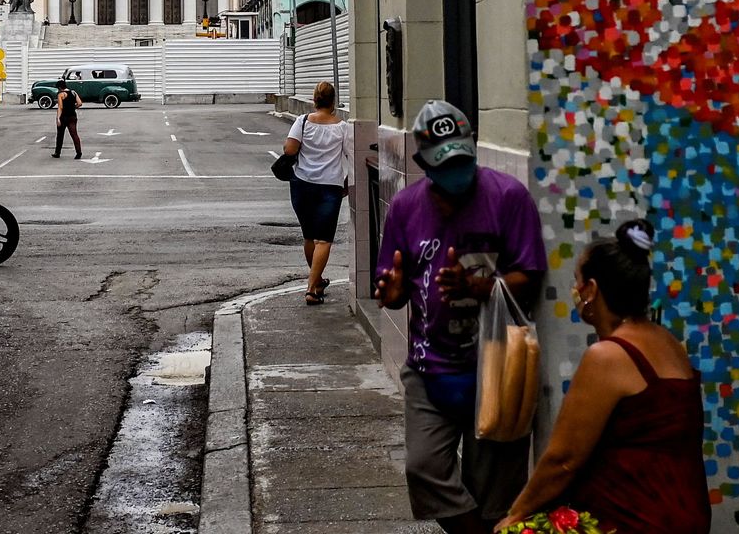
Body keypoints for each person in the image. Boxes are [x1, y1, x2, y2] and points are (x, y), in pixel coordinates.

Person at [374, 100, 547, 534]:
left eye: (462, 158)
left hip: (498, 366)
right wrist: (392, 294)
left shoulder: (509, 198)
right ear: (423, 165)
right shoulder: (405, 209)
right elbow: (391, 287)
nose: (457, 171)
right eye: (443, 163)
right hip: (429, 368)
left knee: (495, 496)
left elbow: (529, 274)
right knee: (424, 468)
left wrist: (479, 286)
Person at [495, 219, 710, 534]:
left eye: (577, 281)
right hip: (684, 515)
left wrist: (515, 516)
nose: (575, 290)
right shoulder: (669, 344)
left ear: (591, 290)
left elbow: (563, 460)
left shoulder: (609, 356)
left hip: (632, 521)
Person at [284, 82, 349, 305]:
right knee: (324, 240)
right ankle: (312, 289)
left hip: (302, 184)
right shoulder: (342, 127)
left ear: (314, 100)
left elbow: (290, 150)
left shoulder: (302, 122)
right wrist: (347, 182)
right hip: (330, 187)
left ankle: (317, 280)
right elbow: (352, 156)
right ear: (333, 101)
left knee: (309, 236)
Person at [52, 77, 82, 159]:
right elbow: (79, 103)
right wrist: (73, 107)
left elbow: (60, 107)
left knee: (60, 135)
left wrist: (58, 118)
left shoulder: (61, 94)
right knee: (74, 134)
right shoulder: (73, 92)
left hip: (64, 117)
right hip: (72, 116)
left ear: (59, 88)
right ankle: (78, 152)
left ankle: (57, 153)